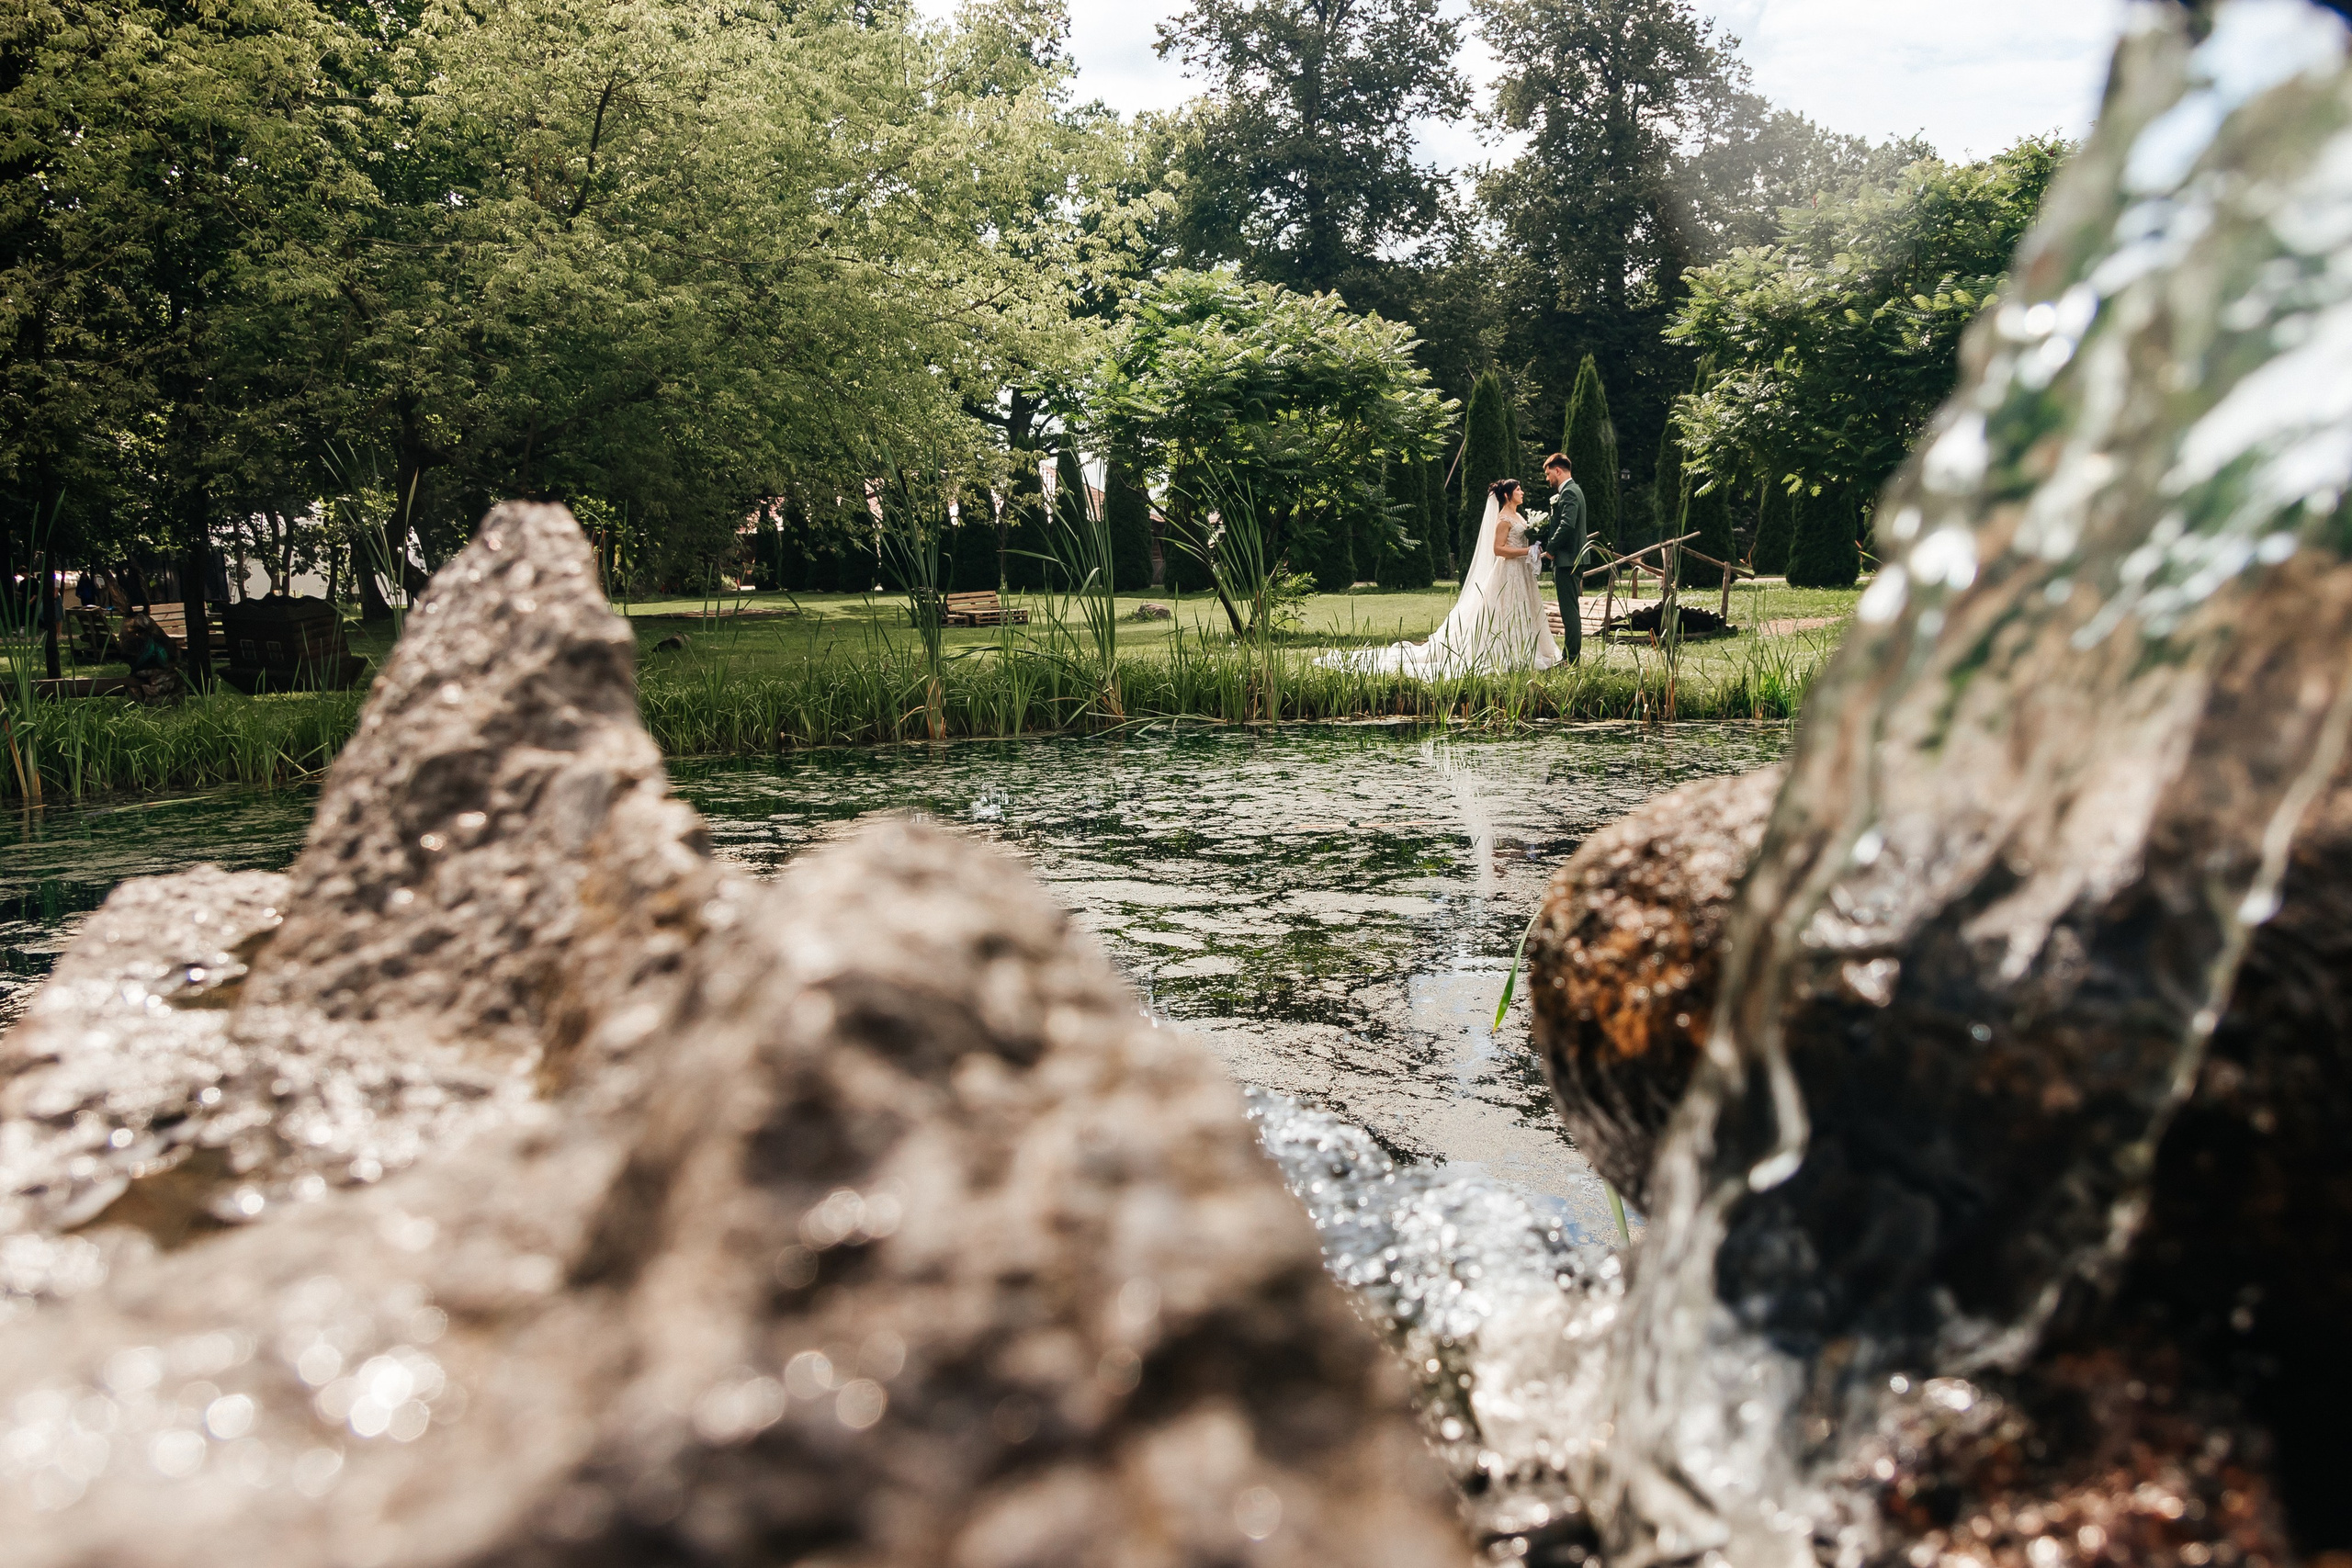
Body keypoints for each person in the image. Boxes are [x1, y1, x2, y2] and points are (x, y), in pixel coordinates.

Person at [1321, 478, 1559, 676]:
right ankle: (1507, 651)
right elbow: (1498, 550)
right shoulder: (1503, 519)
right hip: (1507, 572)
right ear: (1507, 495)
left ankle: (1527, 648)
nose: (1522, 492)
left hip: (1522, 572)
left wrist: (1534, 550)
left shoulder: (1519, 517)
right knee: (1504, 611)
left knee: (1522, 610)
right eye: (1518, 490)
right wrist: (1525, 551)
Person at [1537, 453, 1587, 664]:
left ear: (1558, 470)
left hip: (1568, 559)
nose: (1548, 479)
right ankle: (1570, 656)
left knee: (1569, 612)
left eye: (1548, 474)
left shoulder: (1569, 493)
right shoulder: (1571, 491)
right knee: (1570, 610)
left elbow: (1567, 524)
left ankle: (1571, 659)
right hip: (1570, 559)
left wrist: (1550, 549)